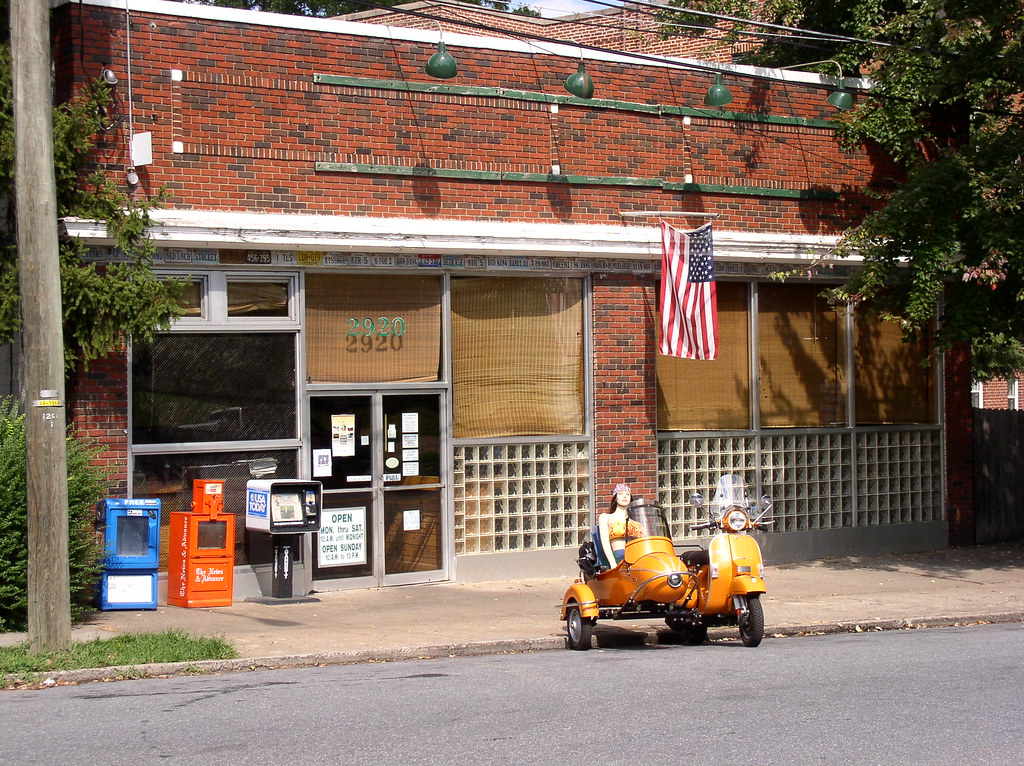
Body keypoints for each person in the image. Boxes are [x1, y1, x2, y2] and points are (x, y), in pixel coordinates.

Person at [597, 483, 633, 569]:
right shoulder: (606, 517)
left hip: (637, 554)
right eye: (620, 494)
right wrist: (612, 563)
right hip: (619, 556)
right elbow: (605, 542)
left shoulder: (634, 520)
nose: (625, 496)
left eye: (627, 494)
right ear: (615, 498)